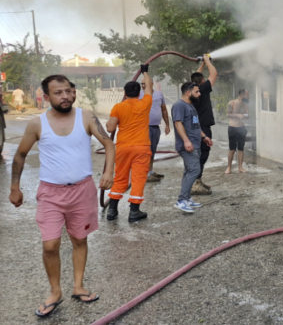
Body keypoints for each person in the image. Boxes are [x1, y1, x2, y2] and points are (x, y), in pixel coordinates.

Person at [8, 74, 115, 317]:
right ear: (46, 97)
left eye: (68, 91)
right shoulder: (37, 124)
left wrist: (109, 172)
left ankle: (78, 286)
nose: (65, 96)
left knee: (79, 239)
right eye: (58, 93)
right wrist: (15, 187)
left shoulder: (85, 117)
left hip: (82, 189)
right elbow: (20, 155)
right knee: (50, 244)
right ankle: (55, 292)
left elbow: (109, 144)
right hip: (50, 193)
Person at [105, 65, 153, 222]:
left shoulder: (118, 107)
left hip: (123, 147)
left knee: (120, 177)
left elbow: (110, 127)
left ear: (124, 93)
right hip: (142, 147)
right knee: (138, 178)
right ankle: (134, 212)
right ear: (139, 93)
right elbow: (149, 87)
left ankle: (112, 210)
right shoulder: (145, 102)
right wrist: (145, 71)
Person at [172, 82, 211, 213]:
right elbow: (178, 123)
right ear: (188, 92)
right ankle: (181, 200)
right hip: (188, 145)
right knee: (194, 170)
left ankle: (187, 198)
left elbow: (196, 124)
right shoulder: (179, 105)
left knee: (188, 171)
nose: (199, 94)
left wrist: (204, 137)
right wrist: (186, 141)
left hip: (196, 143)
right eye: (197, 92)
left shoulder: (190, 106)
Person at [190, 54, 218, 195]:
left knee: (198, 155)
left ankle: (197, 181)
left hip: (194, 127)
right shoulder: (203, 89)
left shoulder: (191, 90)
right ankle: (195, 184)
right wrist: (207, 59)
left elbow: (197, 76)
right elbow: (214, 73)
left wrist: (201, 63)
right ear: (202, 81)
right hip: (203, 128)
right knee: (202, 155)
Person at [140, 80, 170, 182]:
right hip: (144, 128)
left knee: (152, 150)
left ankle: (150, 171)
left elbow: (164, 110)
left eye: (145, 83)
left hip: (155, 127)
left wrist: (167, 125)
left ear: (151, 84)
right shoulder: (138, 95)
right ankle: (146, 173)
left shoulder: (158, 94)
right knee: (146, 151)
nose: (143, 85)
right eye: (142, 84)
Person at [225, 89, 250, 174]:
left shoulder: (246, 104)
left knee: (241, 149)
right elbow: (227, 114)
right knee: (232, 149)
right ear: (242, 95)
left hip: (241, 128)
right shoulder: (231, 103)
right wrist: (237, 115)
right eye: (247, 95)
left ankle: (240, 167)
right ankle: (229, 167)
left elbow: (247, 115)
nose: (248, 97)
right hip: (232, 127)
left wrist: (245, 116)